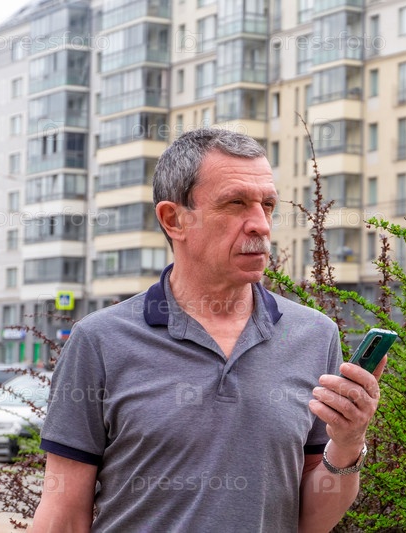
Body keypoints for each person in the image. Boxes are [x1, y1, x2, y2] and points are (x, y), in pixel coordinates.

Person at [30, 129, 385, 532]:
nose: (261, 225)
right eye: (235, 203)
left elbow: (309, 521)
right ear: (174, 219)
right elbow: (63, 513)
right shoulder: (99, 341)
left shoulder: (314, 336)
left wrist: (348, 442)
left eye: (268, 205)